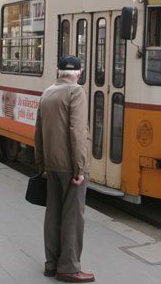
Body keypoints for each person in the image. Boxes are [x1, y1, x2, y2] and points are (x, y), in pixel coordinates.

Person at [34, 56, 94, 283]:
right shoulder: (76, 92)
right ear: (79, 72)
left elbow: (38, 132)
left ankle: (51, 264)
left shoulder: (47, 92)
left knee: (53, 214)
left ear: (58, 71)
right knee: (73, 217)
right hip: (70, 166)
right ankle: (69, 267)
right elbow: (77, 132)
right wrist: (80, 168)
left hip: (51, 165)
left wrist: (42, 165)